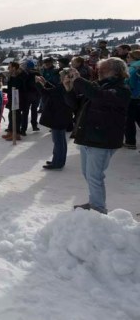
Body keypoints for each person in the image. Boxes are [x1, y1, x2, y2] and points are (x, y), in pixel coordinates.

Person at [63, 57, 131, 214]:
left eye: (103, 70)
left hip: (102, 139)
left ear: (116, 71)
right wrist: (68, 89)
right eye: (98, 69)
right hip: (89, 137)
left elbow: (99, 97)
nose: (98, 72)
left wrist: (79, 80)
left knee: (94, 176)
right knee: (88, 174)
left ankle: (98, 208)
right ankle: (95, 202)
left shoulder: (122, 89)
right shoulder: (99, 86)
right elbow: (75, 105)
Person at [35, 73, 72, 170]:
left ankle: (57, 163)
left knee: (58, 141)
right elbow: (54, 90)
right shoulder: (66, 86)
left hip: (58, 116)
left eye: (61, 76)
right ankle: (58, 160)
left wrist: (38, 83)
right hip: (62, 116)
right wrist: (45, 82)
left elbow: (47, 92)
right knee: (61, 141)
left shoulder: (64, 87)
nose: (60, 77)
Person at [2, 61, 25, 141]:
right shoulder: (13, 76)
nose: (8, 68)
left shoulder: (19, 76)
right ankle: (11, 132)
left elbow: (15, 89)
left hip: (17, 100)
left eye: (10, 67)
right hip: (12, 99)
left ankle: (17, 134)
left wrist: (4, 90)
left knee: (16, 117)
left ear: (14, 68)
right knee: (11, 116)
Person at [123, 50, 140, 148]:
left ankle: (130, 142)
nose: (127, 59)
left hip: (132, 97)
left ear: (134, 58)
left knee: (129, 120)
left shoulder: (133, 68)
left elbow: (131, 83)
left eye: (128, 57)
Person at [20, 60, 41, 134]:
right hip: (36, 94)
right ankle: (34, 126)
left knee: (25, 112)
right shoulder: (37, 73)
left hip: (27, 95)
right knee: (34, 110)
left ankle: (23, 129)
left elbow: (22, 85)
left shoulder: (24, 73)